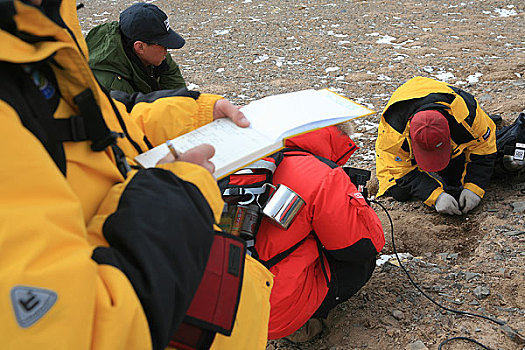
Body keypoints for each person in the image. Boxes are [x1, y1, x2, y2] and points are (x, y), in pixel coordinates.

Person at [0, 1, 272, 349]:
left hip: (197, 309)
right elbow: (79, 332)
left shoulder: (35, 31)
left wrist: (195, 114)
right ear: (140, 47)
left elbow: (100, 120)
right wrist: (178, 192)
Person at [242, 125, 385, 342]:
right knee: (359, 262)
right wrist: (358, 206)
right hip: (272, 312)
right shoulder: (322, 175)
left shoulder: (249, 162)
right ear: (339, 134)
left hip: (220, 304)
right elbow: (362, 246)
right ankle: (303, 323)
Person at [375, 76, 497, 215]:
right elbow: (401, 171)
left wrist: (474, 188)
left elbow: (485, 147)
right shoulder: (393, 134)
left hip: (449, 116)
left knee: (456, 179)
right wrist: (436, 196)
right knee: (399, 192)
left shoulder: (467, 114)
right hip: (401, 129)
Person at [86, 2, 187, 94]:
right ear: (140, 47)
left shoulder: (156, 56)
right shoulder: (111, 86)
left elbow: (179, 97)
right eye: (163, 44)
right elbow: (135, 113)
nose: (167, 50)